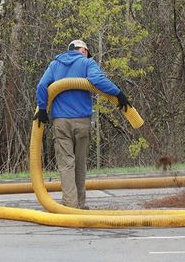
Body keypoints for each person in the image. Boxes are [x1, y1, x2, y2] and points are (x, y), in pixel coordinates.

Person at [34, 39, 131, 209]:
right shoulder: (87, 63)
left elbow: (42, 85)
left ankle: (69, 205)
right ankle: (80, 204)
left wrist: (42, 109)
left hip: (61, 122)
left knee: (66, 163)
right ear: (84, 51)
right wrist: (118, 94)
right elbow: (97, 80)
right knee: (80, 162)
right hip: (82, 121)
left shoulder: (55, 65)